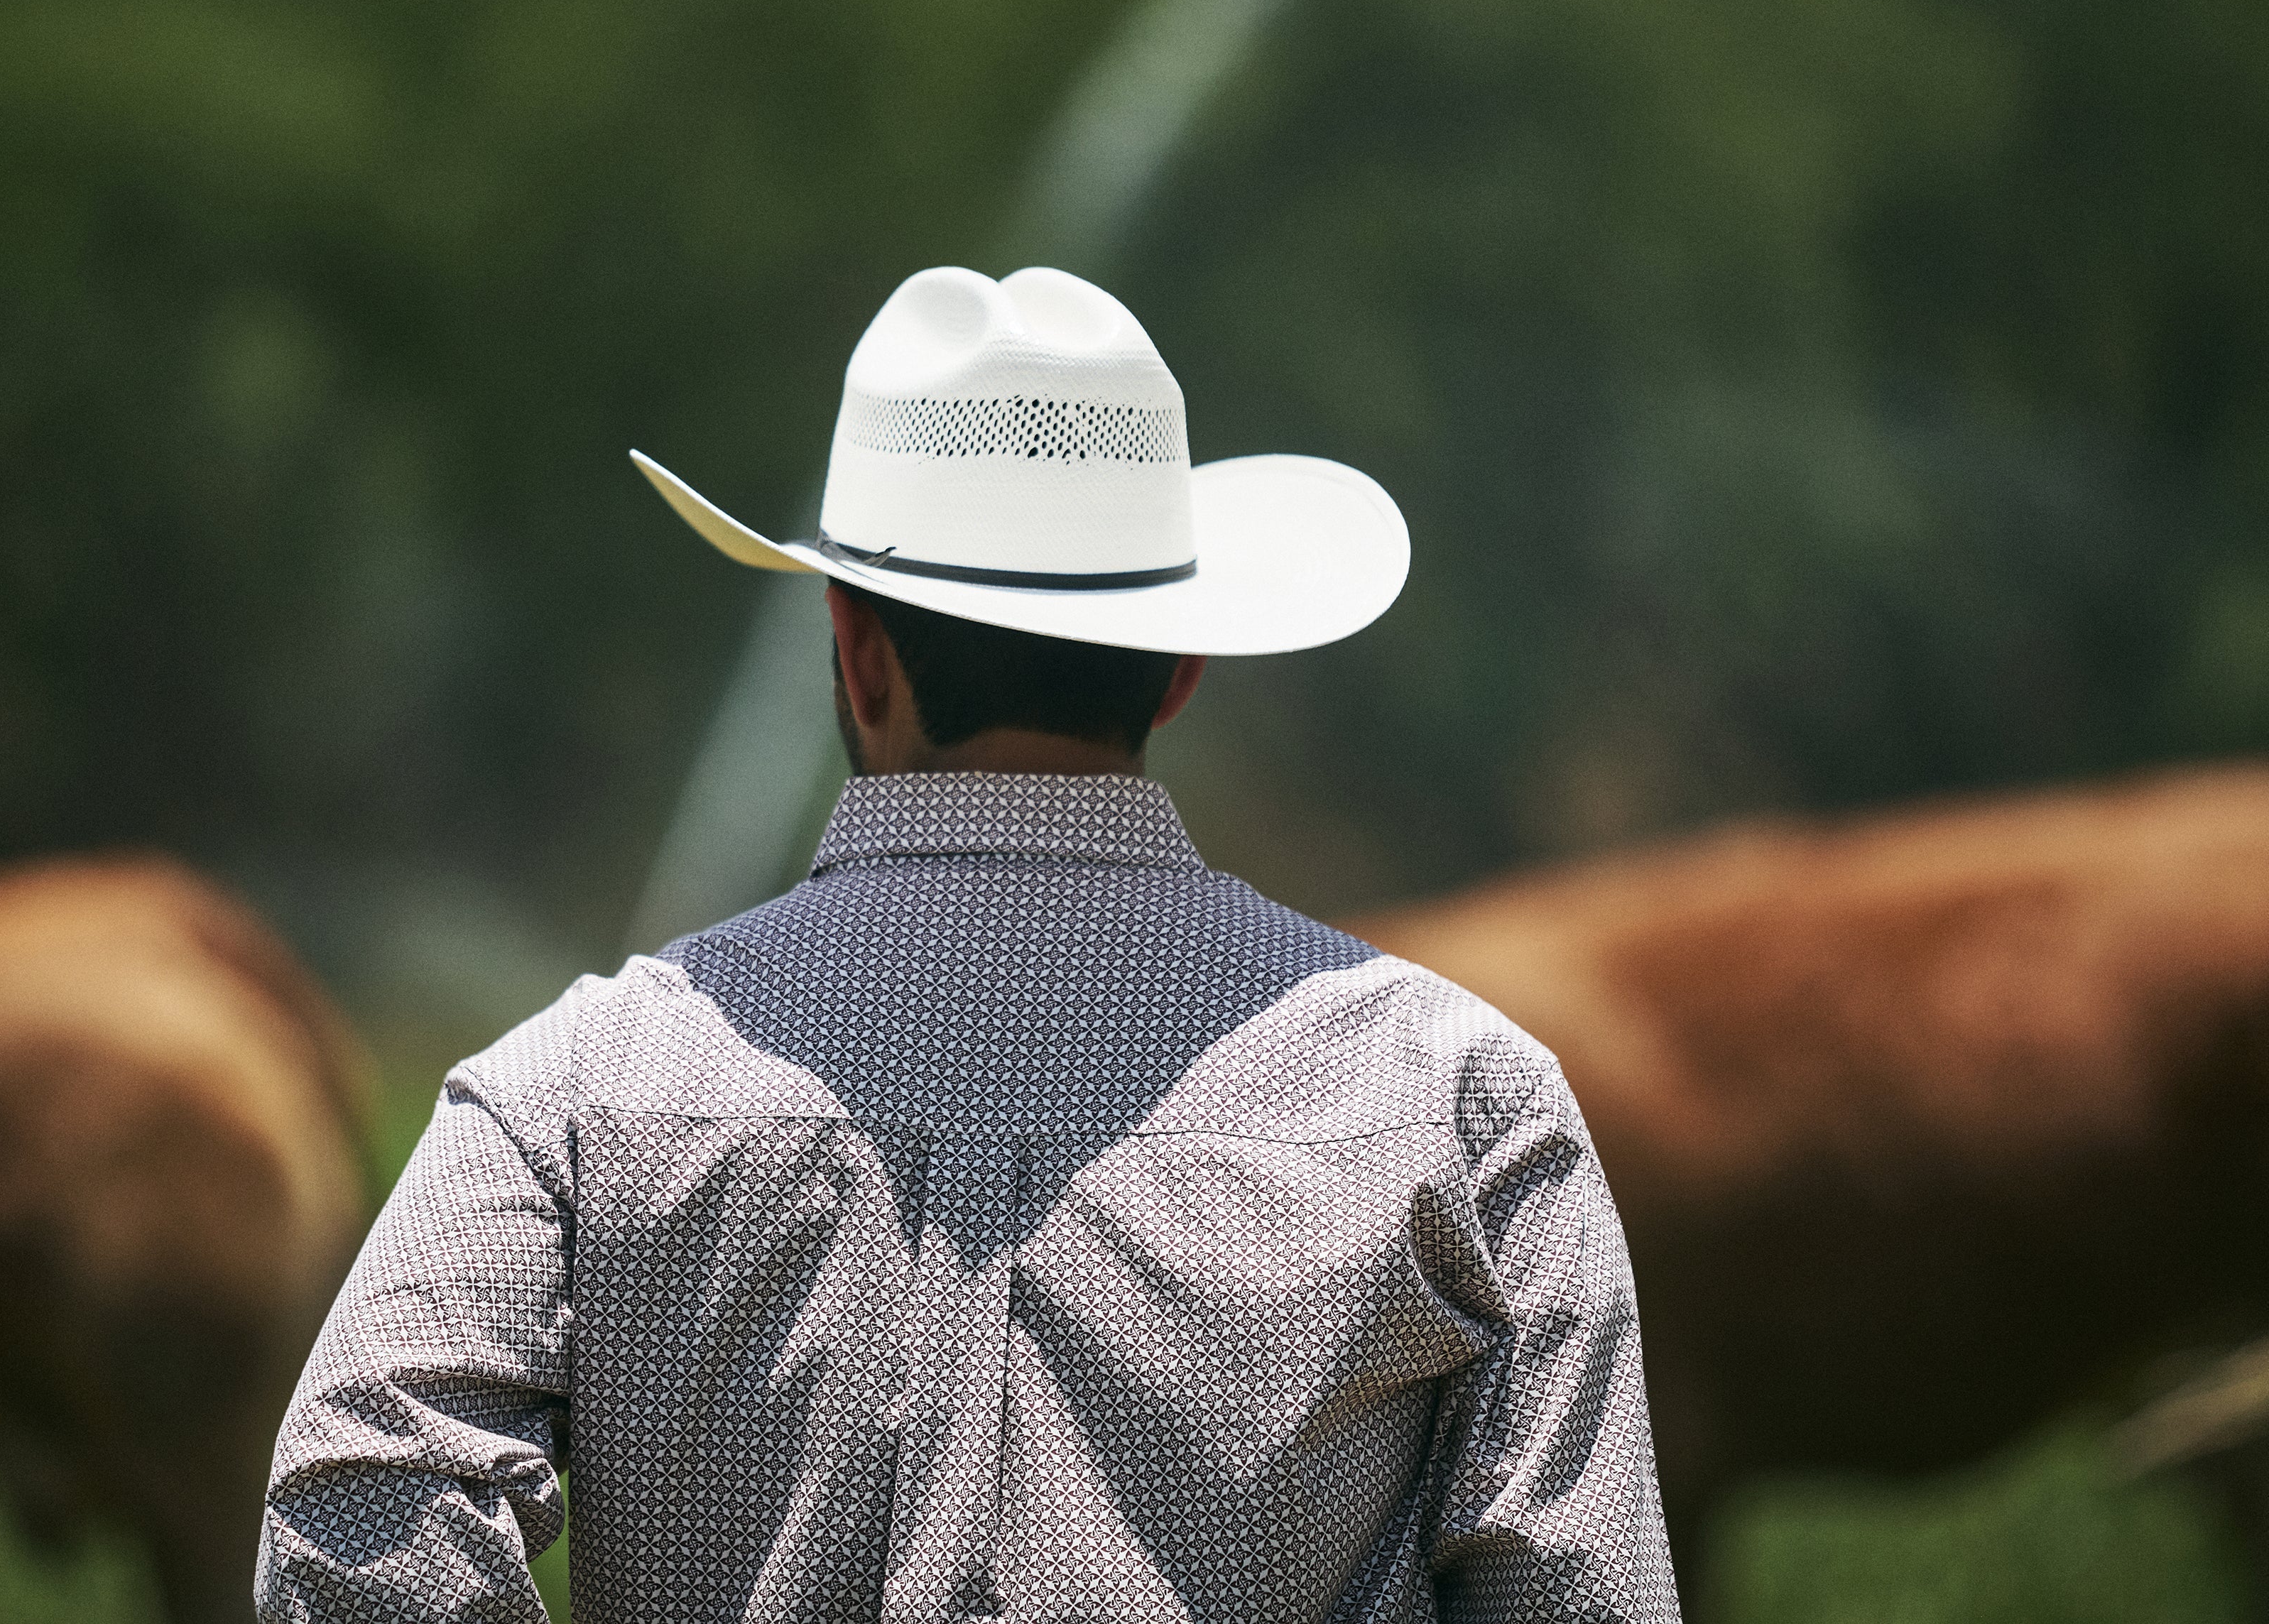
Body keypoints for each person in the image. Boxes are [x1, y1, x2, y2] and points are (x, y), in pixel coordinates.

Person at [256, 267, 1677, 1623]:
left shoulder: (572, 1088)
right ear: (1180, 664)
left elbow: (357, 1510)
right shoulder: (1463, 1103)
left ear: (856, 650)